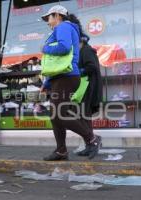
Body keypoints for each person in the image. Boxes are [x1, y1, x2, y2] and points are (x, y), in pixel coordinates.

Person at [40, 5, 102, 161]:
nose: (48, 22)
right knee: (56, 116)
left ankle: (92, 139)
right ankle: (61, 151)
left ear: (57, 15)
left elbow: (64, 47)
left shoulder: (64, 26)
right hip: (61, 77)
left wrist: (45, 48)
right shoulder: (64, 28)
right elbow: (57, 63)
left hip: (66, 77)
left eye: (49, 18)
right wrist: (47, 83)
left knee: (59, 114)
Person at [76, 33, 103, 156]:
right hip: (85, 87)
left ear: (80, 41)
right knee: (83, 116)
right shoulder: (83, 51)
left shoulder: (86, 50)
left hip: (88, 87)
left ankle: (92, 142)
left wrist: (78, 71)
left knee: (83, 116)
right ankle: (90, 144)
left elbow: (92, 67)